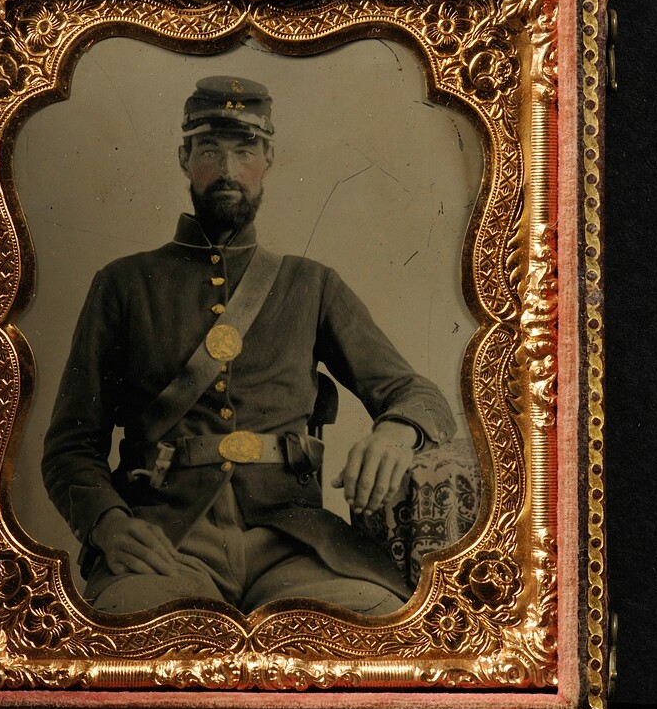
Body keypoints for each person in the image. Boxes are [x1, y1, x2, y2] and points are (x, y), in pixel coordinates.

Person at [42, 76, 456, 616]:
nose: (229, 171)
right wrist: (108, 524)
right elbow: (71, 447)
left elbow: (415, 393)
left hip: (297, 544)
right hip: (166, 544)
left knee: (372, 637)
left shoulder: (311, 284)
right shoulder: (122, 283)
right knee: (146, 653)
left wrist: (398, 432)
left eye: (245, 151)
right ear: (185, 157)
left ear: (269, 158)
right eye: (211, 151)